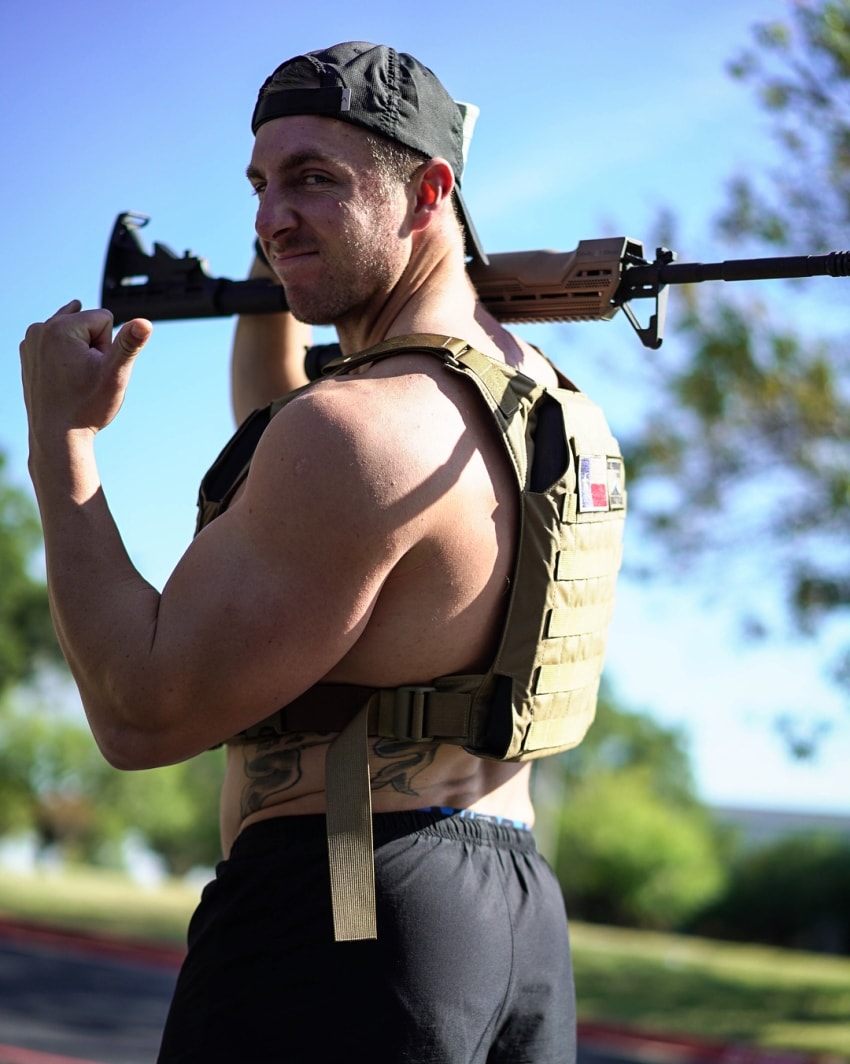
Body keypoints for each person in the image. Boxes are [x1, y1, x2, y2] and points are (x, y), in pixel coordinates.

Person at [20, 42, 625, 1063]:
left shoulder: (356, 433)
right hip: (509, 917)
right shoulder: (535, 405)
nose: (268, 215)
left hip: (343, 900)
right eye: (259, 186)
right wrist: (295, 259)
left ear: (430, 188)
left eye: (313, 179)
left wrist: (60, 443)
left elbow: (141, 710)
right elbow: (300, 477)